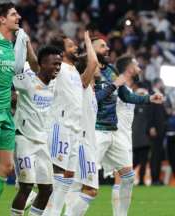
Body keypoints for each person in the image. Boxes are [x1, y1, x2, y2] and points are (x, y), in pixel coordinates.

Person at [91, 38, 163, 216]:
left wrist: (147, 98)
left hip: (119, 135)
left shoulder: (114, 75)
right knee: (84, 182)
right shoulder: (89, 72)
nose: (108, 48)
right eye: (136, 65)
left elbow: (126, 96)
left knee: (126, 177)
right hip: (99, 132)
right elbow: (93, 101)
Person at [0, 1, 38, 215]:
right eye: (14, 14)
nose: (19, 18)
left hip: (6, 112)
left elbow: (25, 69)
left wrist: (26, 45)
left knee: (5, 168)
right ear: (2, 19)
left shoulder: (12, 44)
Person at [43, 31, 97, 216]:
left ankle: (53, 212)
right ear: (62, 52)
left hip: (74, 131)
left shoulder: (74, 71)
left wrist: (88, 43)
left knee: (68, 176)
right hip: (60, 126)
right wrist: (88, 40)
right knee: (57, 174)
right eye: (71, 46)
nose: (76, 48)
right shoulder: (58, 69)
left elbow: (93, 64)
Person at [11, 46, 62, 216]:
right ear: (42, 64)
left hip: (42, 141)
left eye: (59, 64)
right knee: (26, 185)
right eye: (54, 64)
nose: (57, 67)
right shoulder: (27, 80)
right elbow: (10, 78)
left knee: (47, 189)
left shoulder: (54, 84)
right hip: (24, 138)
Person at [62, 31, 99, 216]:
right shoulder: (81, 84)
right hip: (83, 143)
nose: (98, 66)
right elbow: (92, 62)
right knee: (91, 190)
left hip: (85, 142)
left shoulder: (90, 89)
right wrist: (87, 41)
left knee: (73, 191)